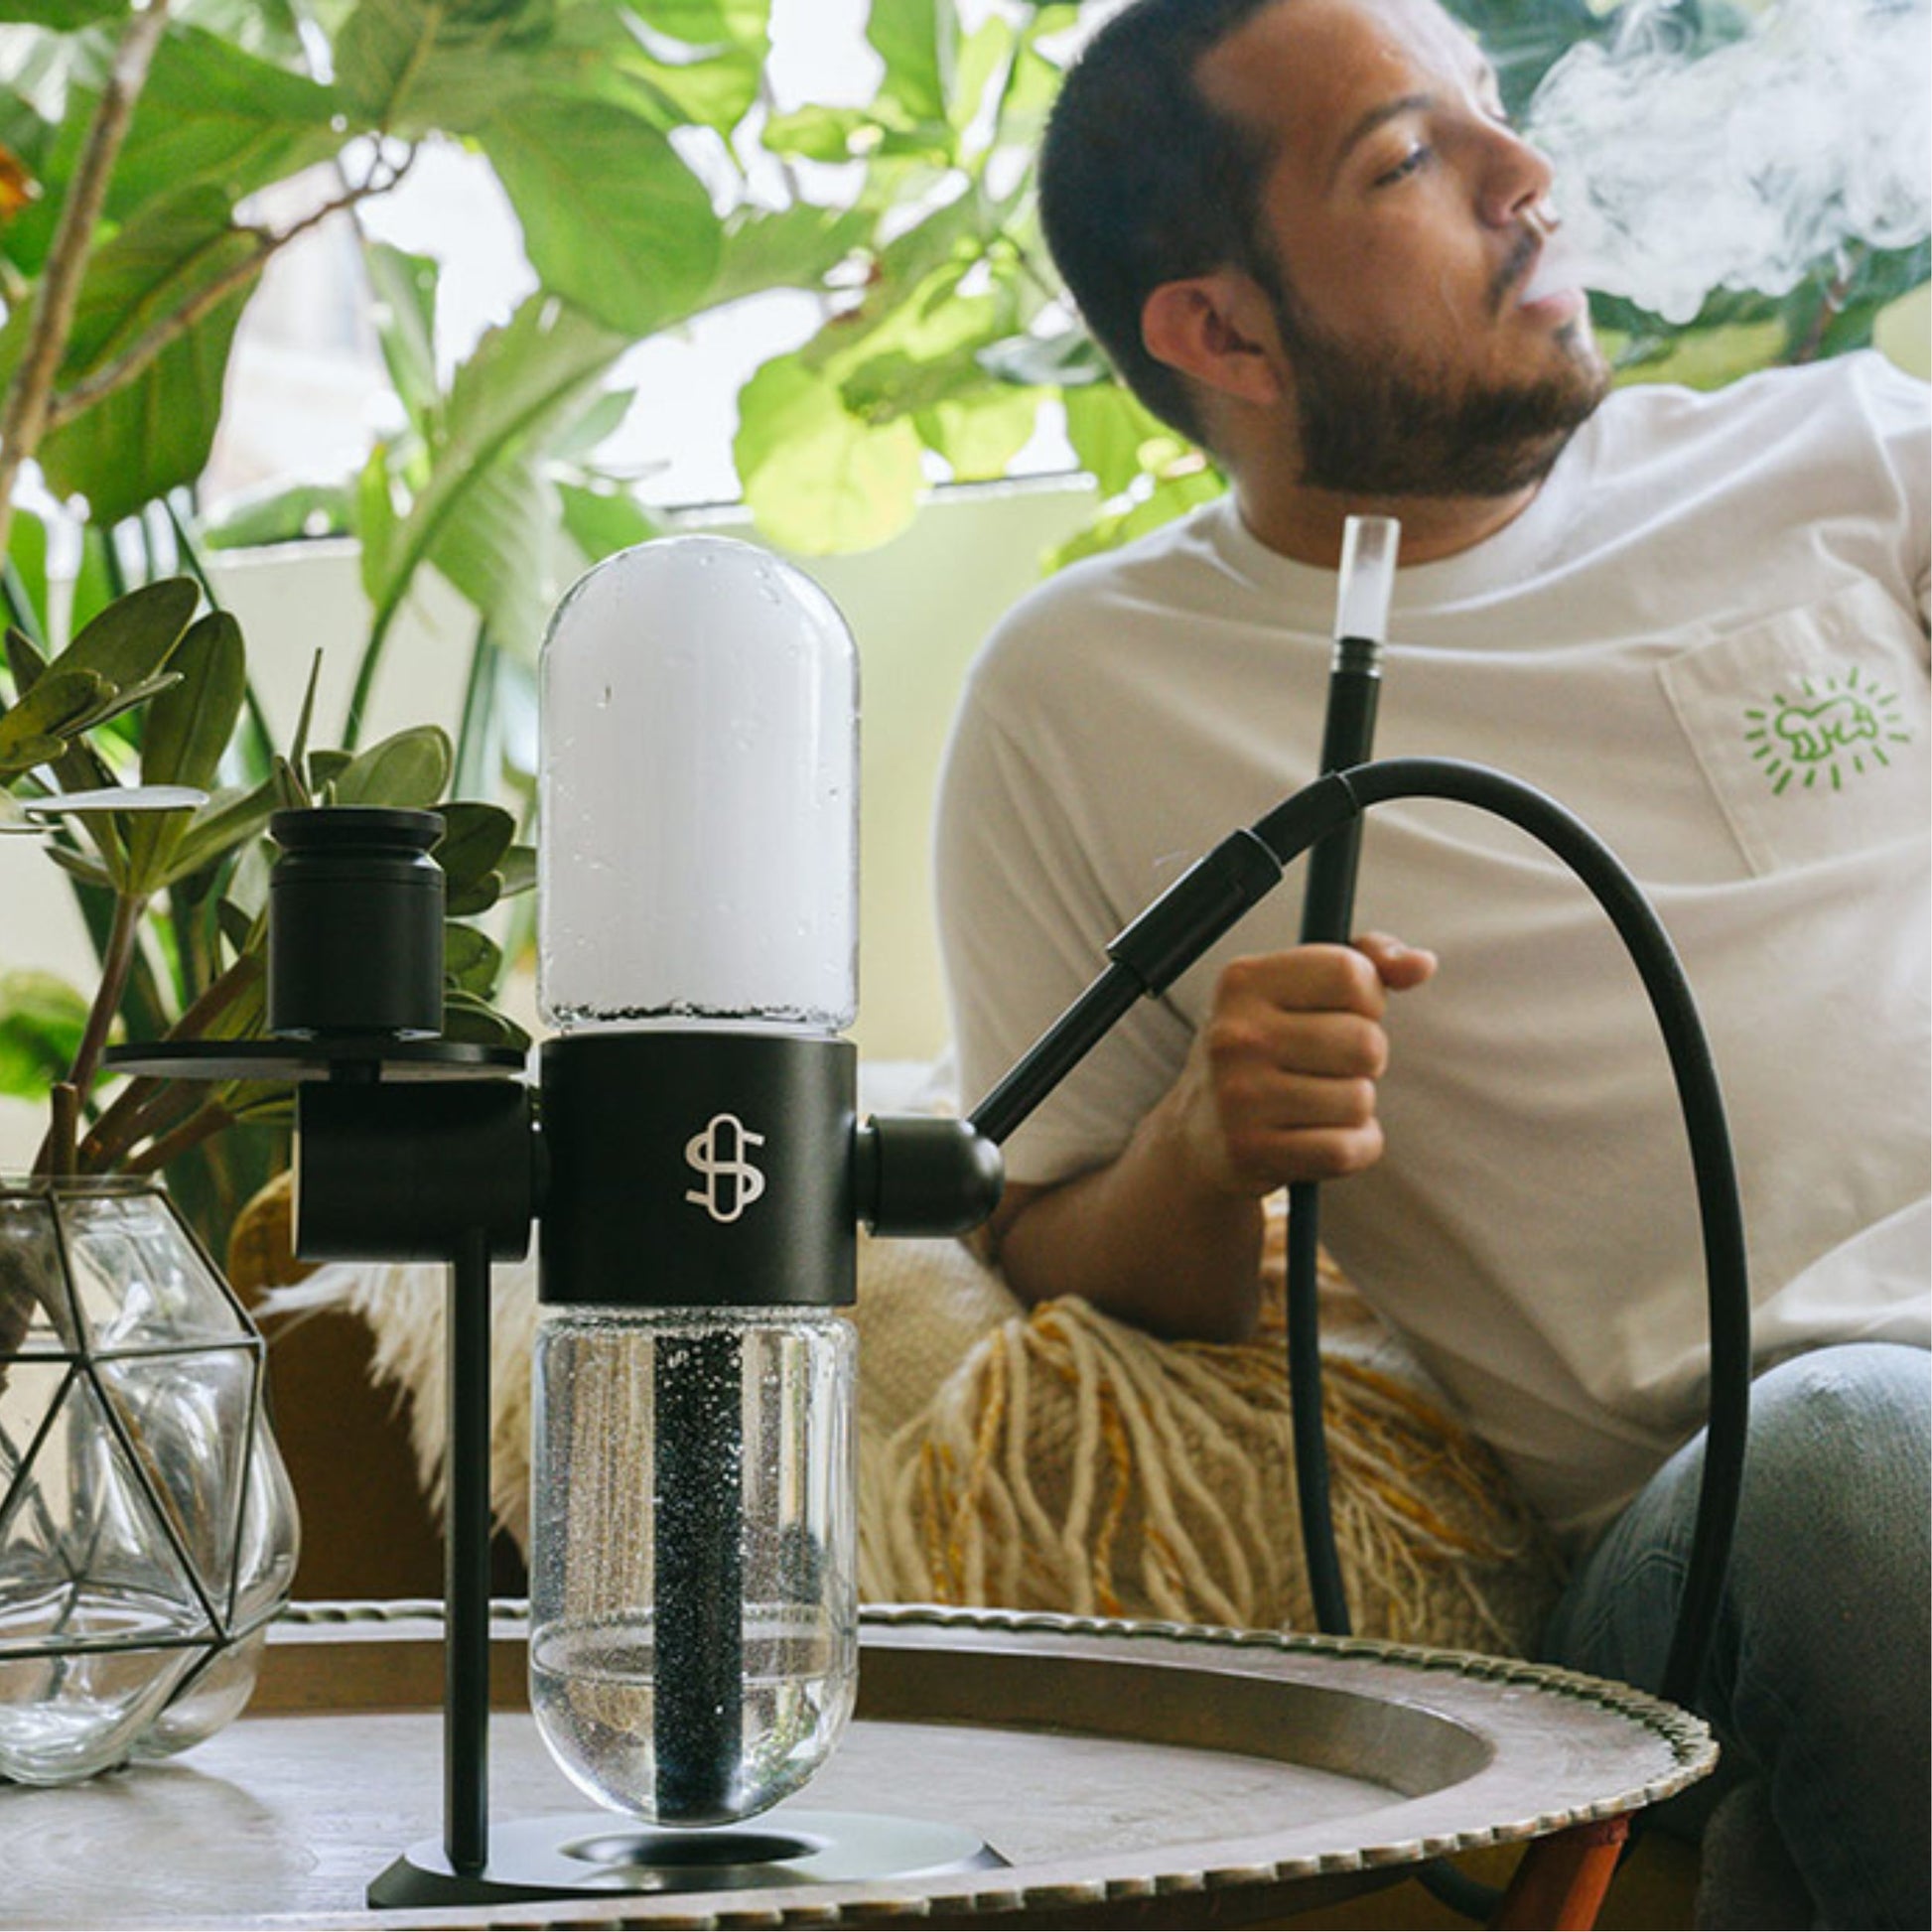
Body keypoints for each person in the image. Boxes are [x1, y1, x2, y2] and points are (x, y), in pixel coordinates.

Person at [931, 0, 1931, 1925]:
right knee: (1857, 1468)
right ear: (1222, 332)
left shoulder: (1852, 454)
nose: (1527, 176)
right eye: (1405, 159)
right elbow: (1038, 1224)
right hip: (1745, 1502)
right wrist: (1205, 1145)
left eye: (1493, 110)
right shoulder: (1081, 697)